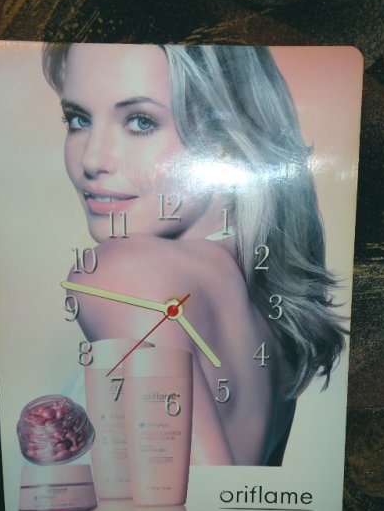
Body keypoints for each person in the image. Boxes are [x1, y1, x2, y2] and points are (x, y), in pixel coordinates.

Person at [42, 43, 347, 466]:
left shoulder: (125, 274)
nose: (92, 159)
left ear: (222, 139)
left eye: (141, 122)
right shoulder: (266, 312)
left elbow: (194, 503)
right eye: (79, 119)